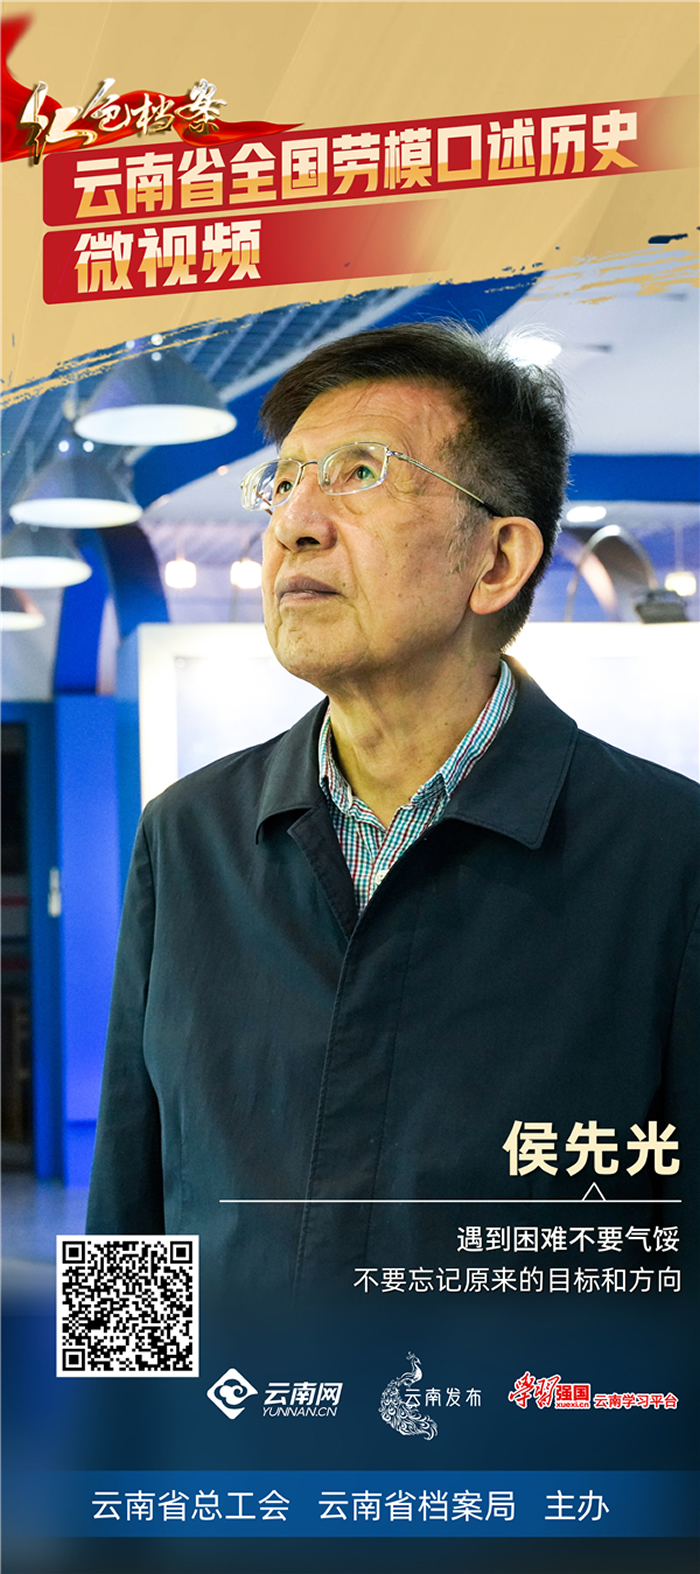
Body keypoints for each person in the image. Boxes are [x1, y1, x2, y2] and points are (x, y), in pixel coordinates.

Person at [86, 322, 699, 1307]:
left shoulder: (666, 854)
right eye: (284, 482)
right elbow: (131, 1200)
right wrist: (113, 1401)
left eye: (360, 472)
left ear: (496, 560)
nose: (295, 522)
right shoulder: (189, 835)